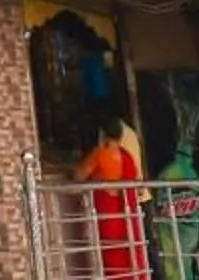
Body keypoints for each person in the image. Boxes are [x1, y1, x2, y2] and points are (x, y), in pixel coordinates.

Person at [77, 115, 150, 280]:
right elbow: (137, 187)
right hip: (128, 219)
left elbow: (79, 176)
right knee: (131, 259)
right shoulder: (127, 157)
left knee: (113, 263)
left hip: (109, 217)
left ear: (102, 133)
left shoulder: (100, 153)